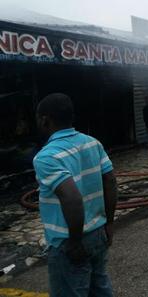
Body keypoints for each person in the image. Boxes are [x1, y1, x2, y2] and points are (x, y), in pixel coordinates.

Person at [33, 93, 117, 296]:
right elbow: (111, 180)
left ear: (45, 120)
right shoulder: (92, 143)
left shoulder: (46, 156)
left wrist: (76, 240)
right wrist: (110, 223)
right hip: (98, 232)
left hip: (69, 240)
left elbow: (71, 197)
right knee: (99, 287)